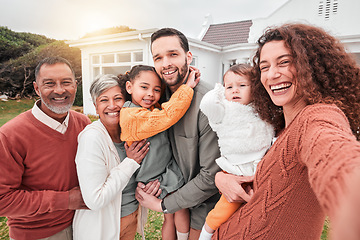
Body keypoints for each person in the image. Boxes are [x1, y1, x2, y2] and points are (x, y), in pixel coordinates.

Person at [213, 23, 360, 239]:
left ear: (311, 66)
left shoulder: (317, 117)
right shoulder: (280, 127)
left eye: (284, 63)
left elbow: (339, 161)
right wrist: (221, 179)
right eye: (264, 67)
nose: (272, 74)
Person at [135, 28, 221, 240]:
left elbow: (211, 177)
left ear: (188, 57)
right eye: (158, 57)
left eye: (173, 54)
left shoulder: (208, 103)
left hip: (203, 208)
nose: (166, 64)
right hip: (171, 195)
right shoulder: (155, 96)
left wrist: (163, 204)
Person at [0, 56, 91, 240]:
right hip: (38, 234)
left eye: (66, 82)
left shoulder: (83, 123)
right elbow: (3, 200)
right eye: (49, 83)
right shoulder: (11, 135)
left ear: (75, 85)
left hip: (85, 224)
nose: (59, 90)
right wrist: (67, 200)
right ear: (36, 88)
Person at [119, 64, 200, 240]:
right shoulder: (131, 115)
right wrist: (186, 88)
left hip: (161, 169)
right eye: (144, 87)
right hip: (154, 174)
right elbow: (167, 116)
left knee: (169, 216)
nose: (150, 94)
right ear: (129, 87)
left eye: (156, 89)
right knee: (179, 207)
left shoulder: (145, 109)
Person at [198, 64, 274, 240]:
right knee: (223, 212)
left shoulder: (261, 110)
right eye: (229, 87)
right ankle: (205, 234)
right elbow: (207, 104)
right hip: (235, 171)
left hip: (260, 170)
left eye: (242, 85)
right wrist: (219, 89)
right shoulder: (223, 110)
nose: (235, 91)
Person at [72, 74, 151, 240]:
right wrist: (130, 162)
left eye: (117, 98)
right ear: (95, 107)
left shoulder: (131, 133)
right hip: (103, 228)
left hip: (131, 218)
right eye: (104, 100)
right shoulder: (92, 138)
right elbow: (95, 199)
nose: (112, 106)